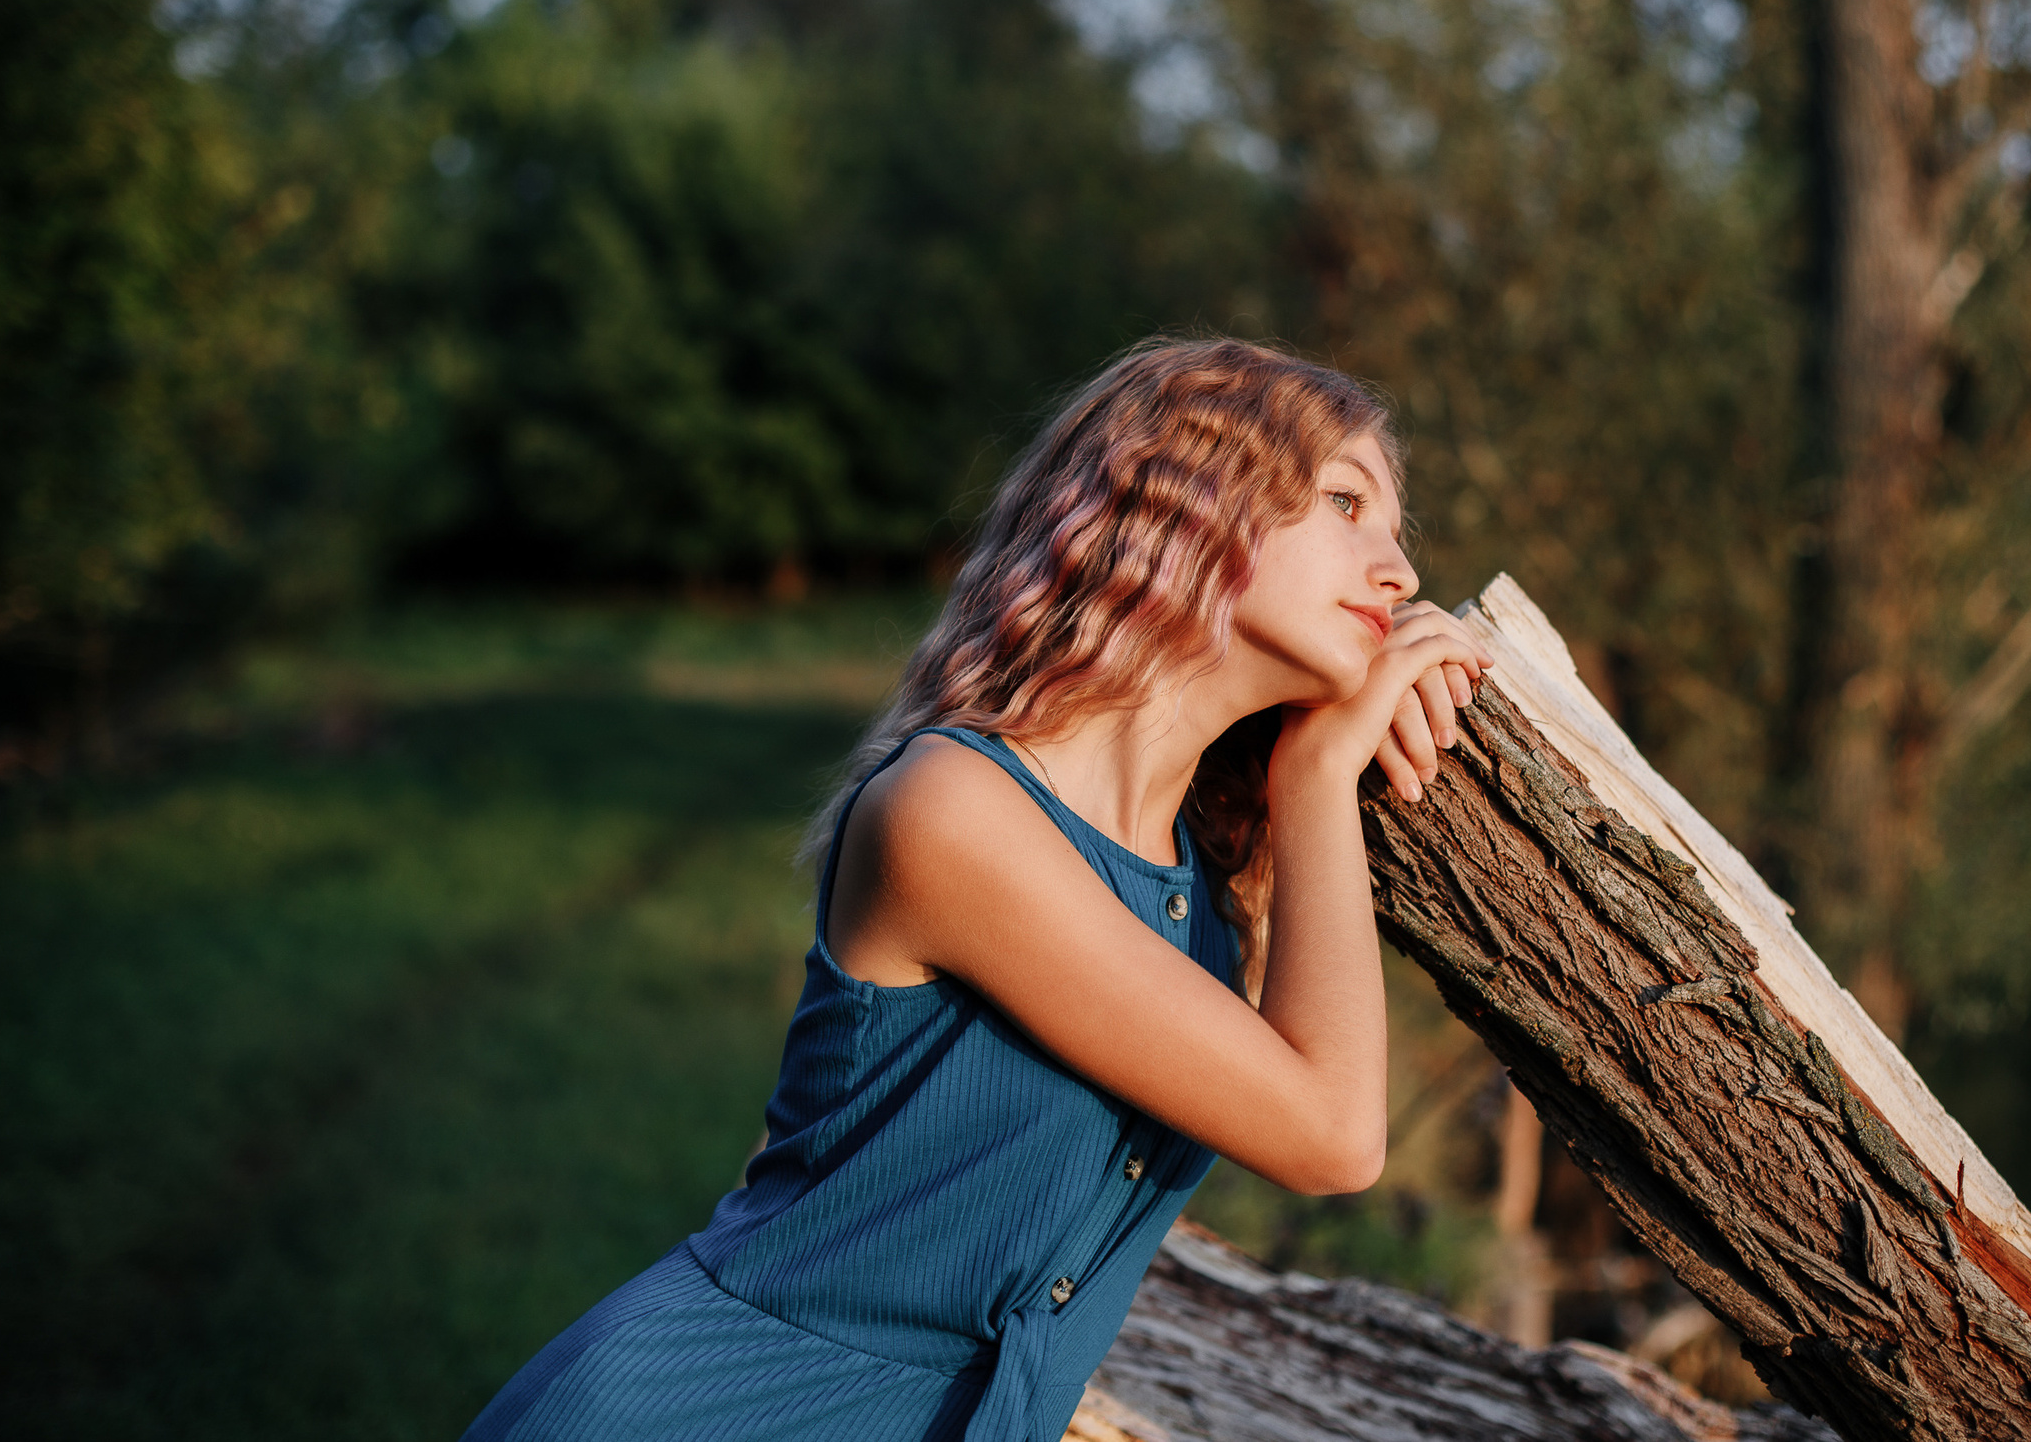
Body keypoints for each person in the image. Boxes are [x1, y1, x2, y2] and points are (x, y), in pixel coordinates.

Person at [462, 338, 1490, 1442]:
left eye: (1395, 531)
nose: (1399, 570)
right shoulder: (953, 813)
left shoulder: (1199, 887)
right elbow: (1331, 1135)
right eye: (1346, 502)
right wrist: (1320, 772)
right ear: (1189, 502)